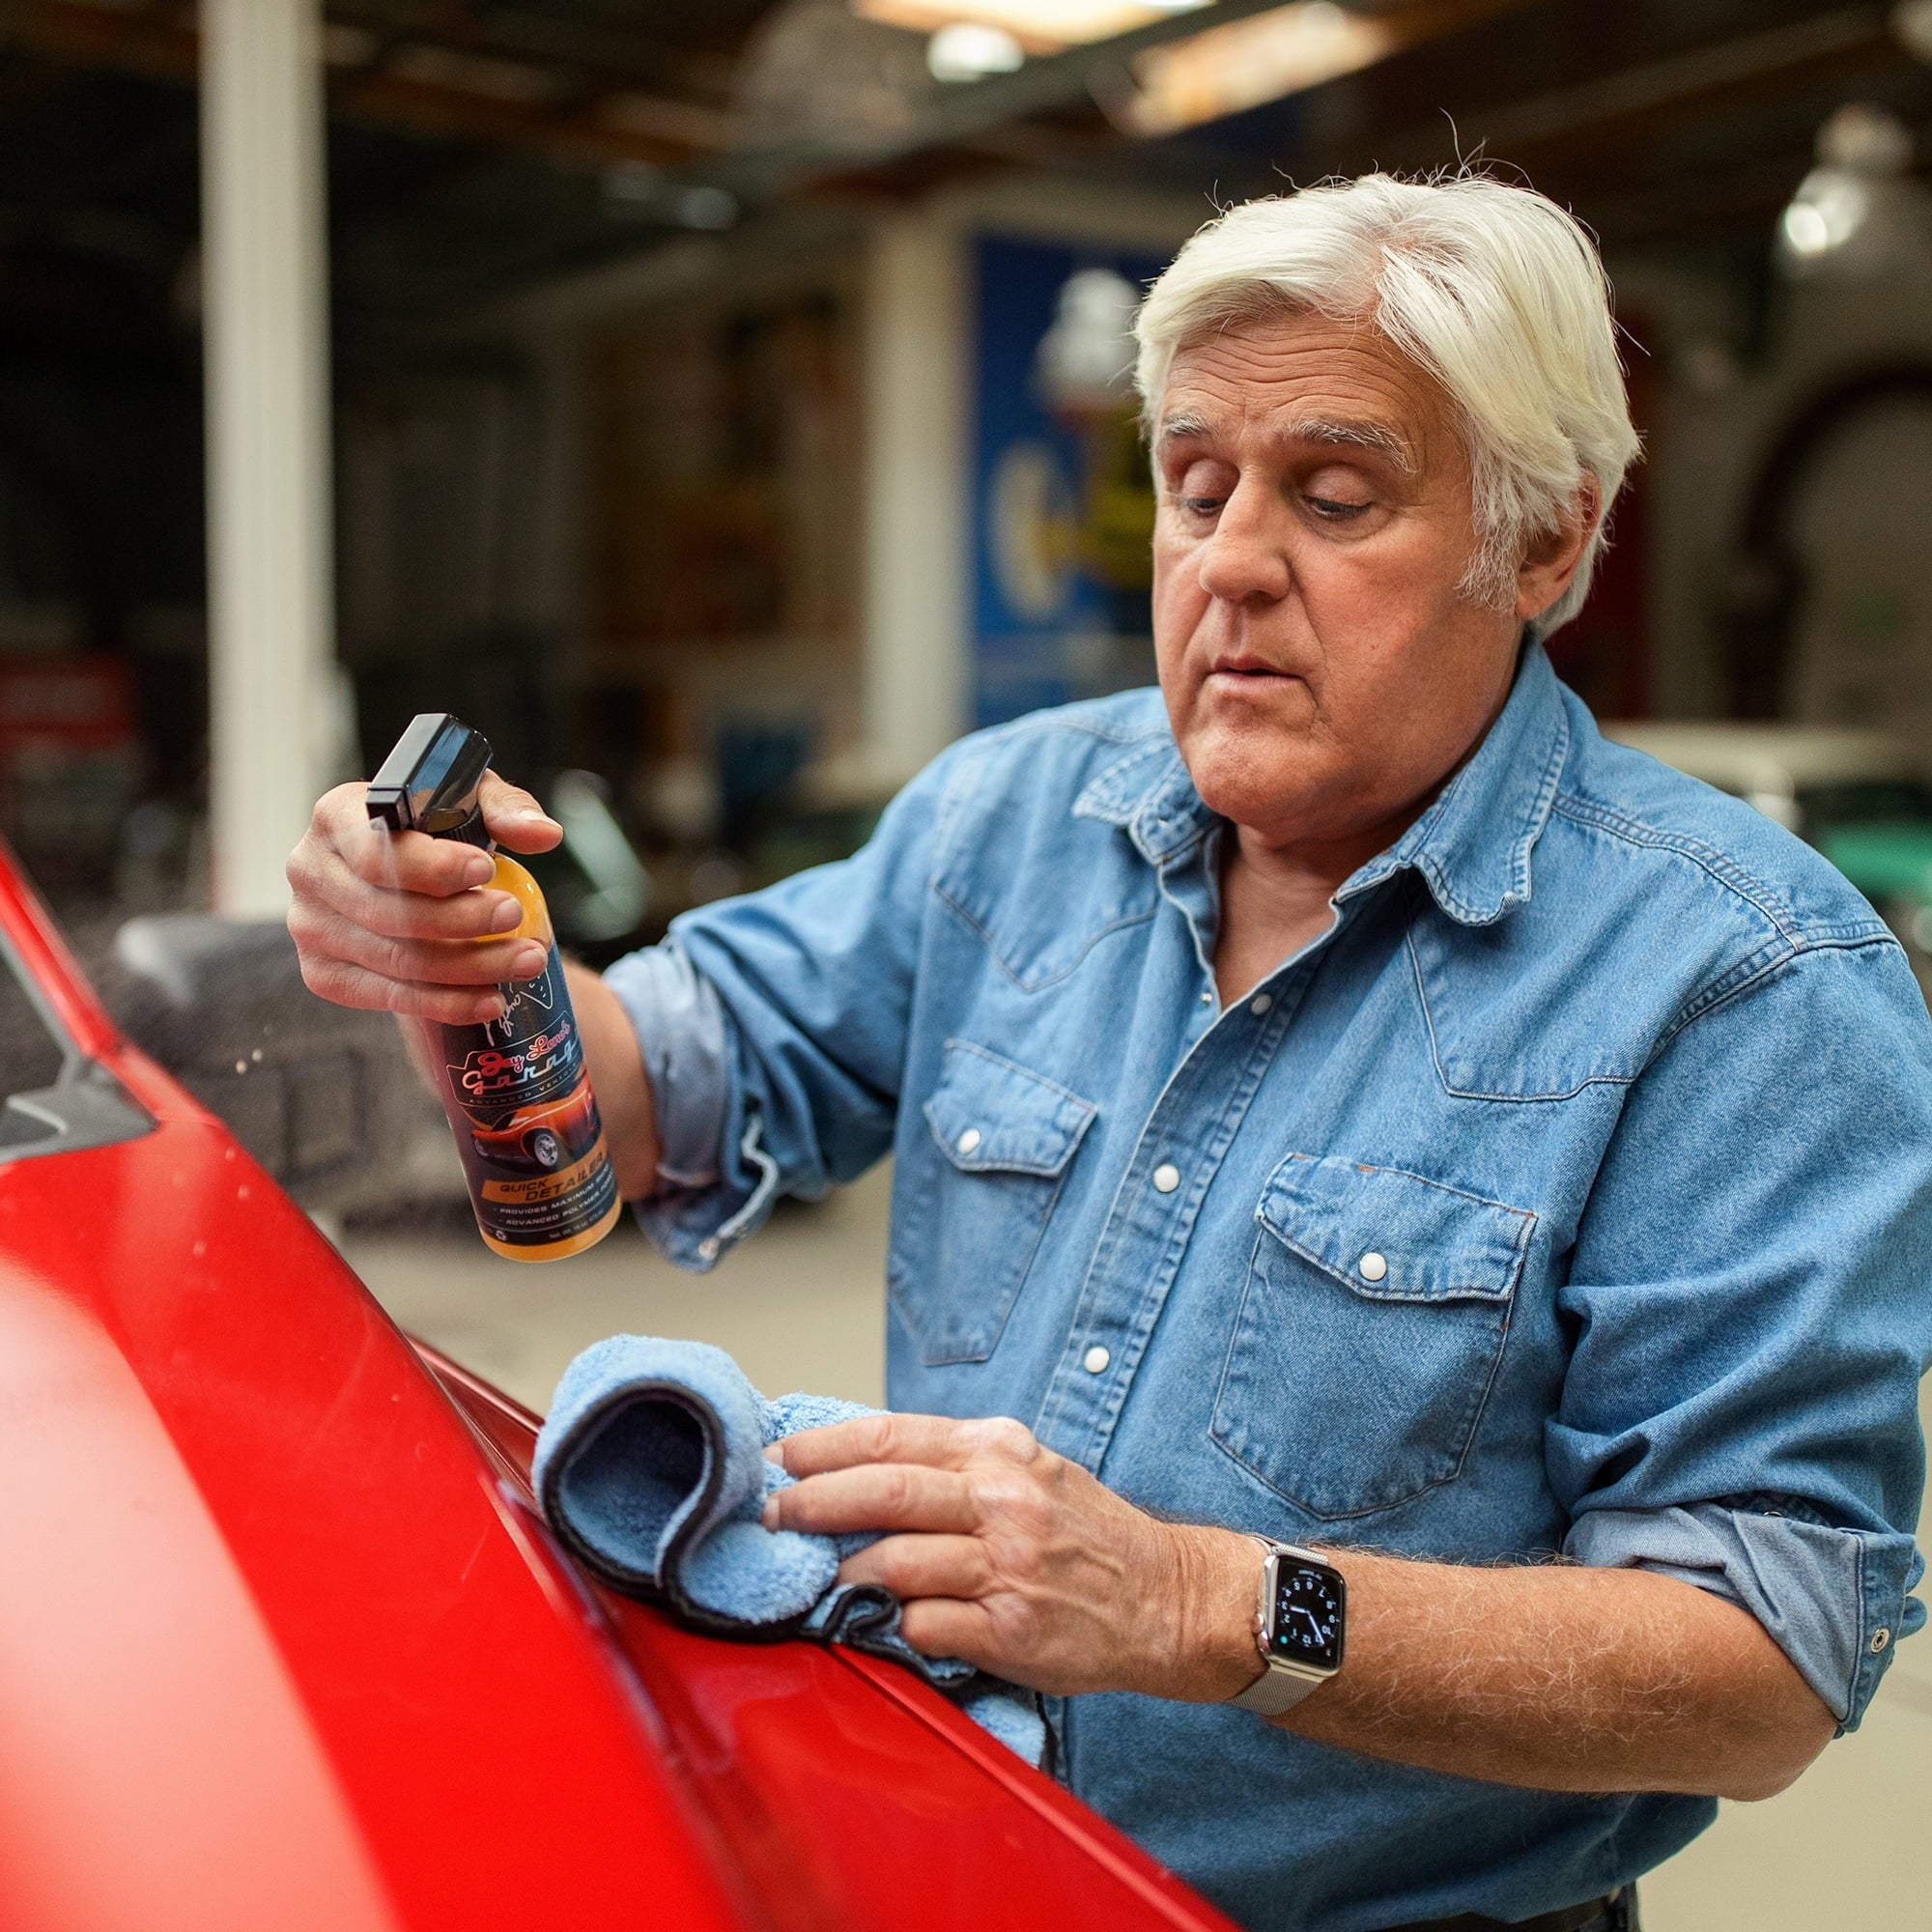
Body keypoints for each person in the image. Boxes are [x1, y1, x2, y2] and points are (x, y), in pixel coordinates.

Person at [286, 172, 1932, 1932]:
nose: (1229, 563)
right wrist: (473, 962)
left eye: (1335, 493)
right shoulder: (1015, 817)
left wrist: (1195, 1606)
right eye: (1194, 484)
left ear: (1543, 540)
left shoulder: (1745, 981)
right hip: (948, 1854)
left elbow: (1757, 1658)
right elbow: (664, 1073)